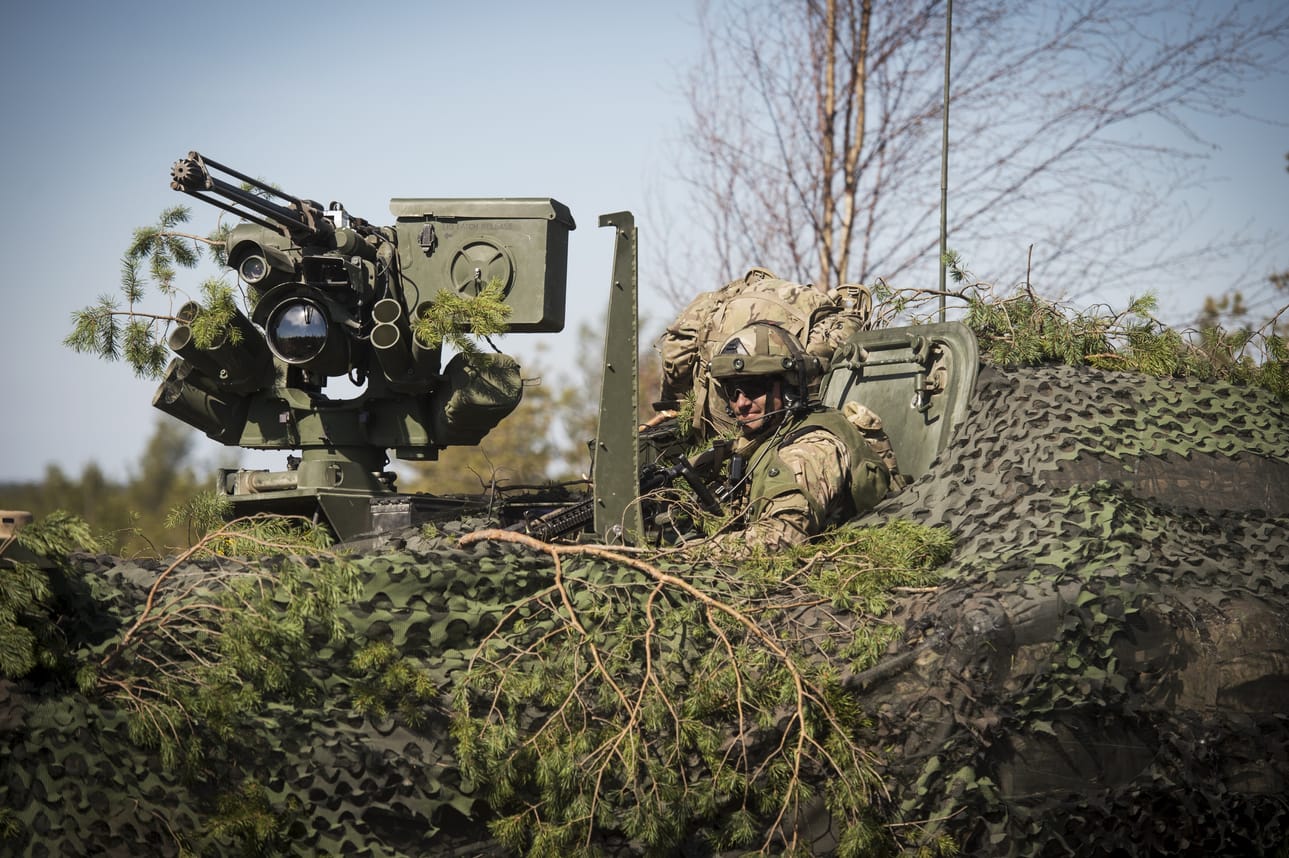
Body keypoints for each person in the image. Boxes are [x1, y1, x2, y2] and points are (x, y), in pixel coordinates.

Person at [697, 321, 891, 554]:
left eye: (753, 388)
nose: (741, 403)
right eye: (732, 391)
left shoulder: (807, 450)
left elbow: (783, 537)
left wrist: (695, 553)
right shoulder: (767, 438)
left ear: (788, 387)